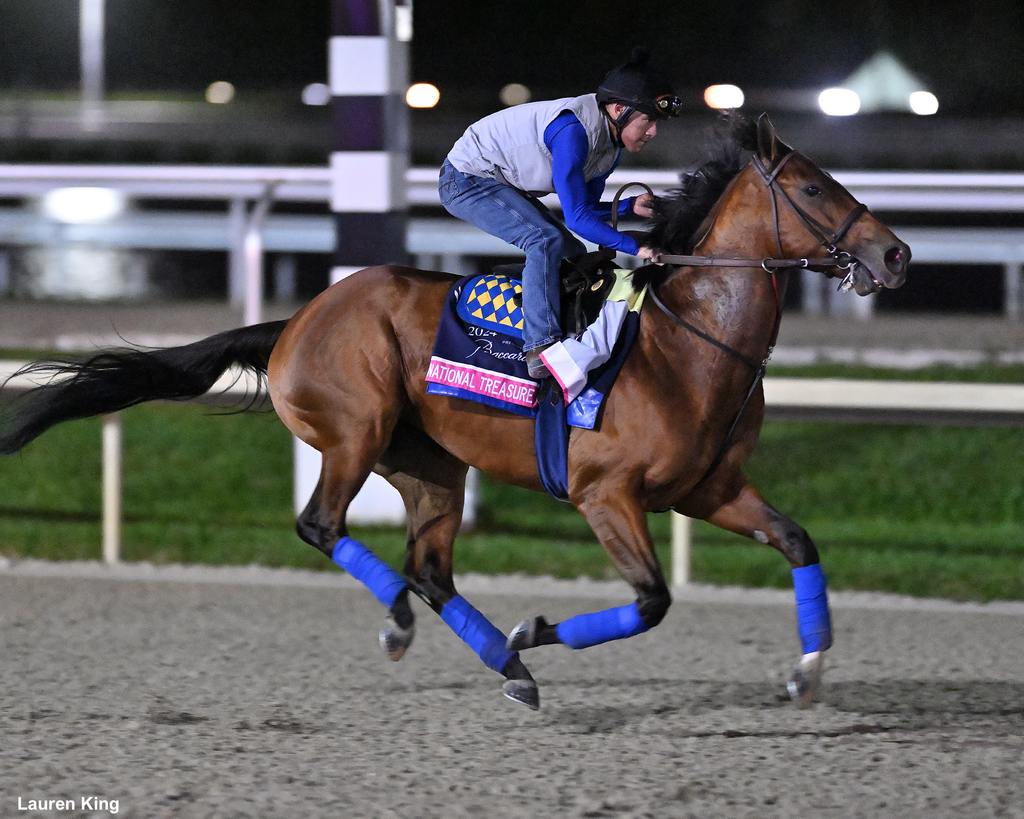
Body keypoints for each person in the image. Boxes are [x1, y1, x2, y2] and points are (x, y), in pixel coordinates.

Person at [438, 47, 679, 378]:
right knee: (544, 240)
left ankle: (560, 326)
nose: (653, 132)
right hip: (464, 179)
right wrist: (636, 247)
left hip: (499, 183)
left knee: (572, 252)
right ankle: (539, 347)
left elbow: (585, 211)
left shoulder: (610, 147)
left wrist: (627, 207)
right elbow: (578, 220)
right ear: (619, 109)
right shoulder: (573, 131)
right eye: (648, 120)